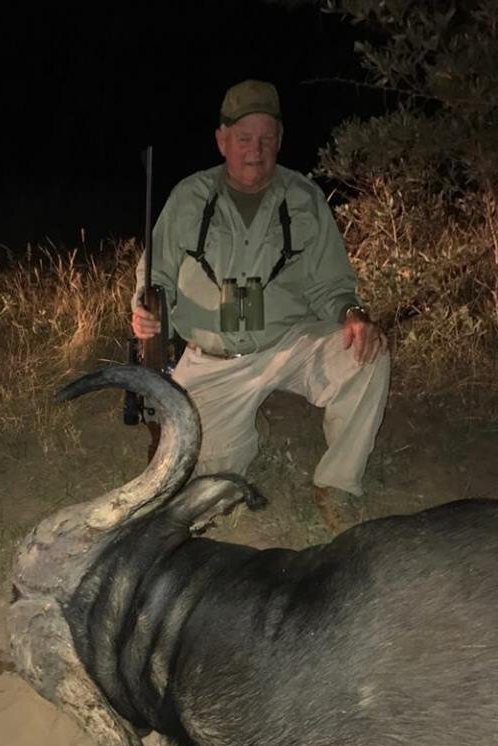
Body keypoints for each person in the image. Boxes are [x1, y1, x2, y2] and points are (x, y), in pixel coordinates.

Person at [130, 79, 390, 533]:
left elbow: (333, 284)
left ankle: (338, 485)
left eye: (267, 138)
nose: (256, 149)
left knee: (367, 353)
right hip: (213, 358)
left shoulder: (305, 197)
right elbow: (154, 277)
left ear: (280, 140)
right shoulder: (188, 197)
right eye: (245, 138)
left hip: (288, 343)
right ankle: (244, 431)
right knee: (216, 484)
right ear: (222, 140)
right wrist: (144, 310)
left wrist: (352, 314)